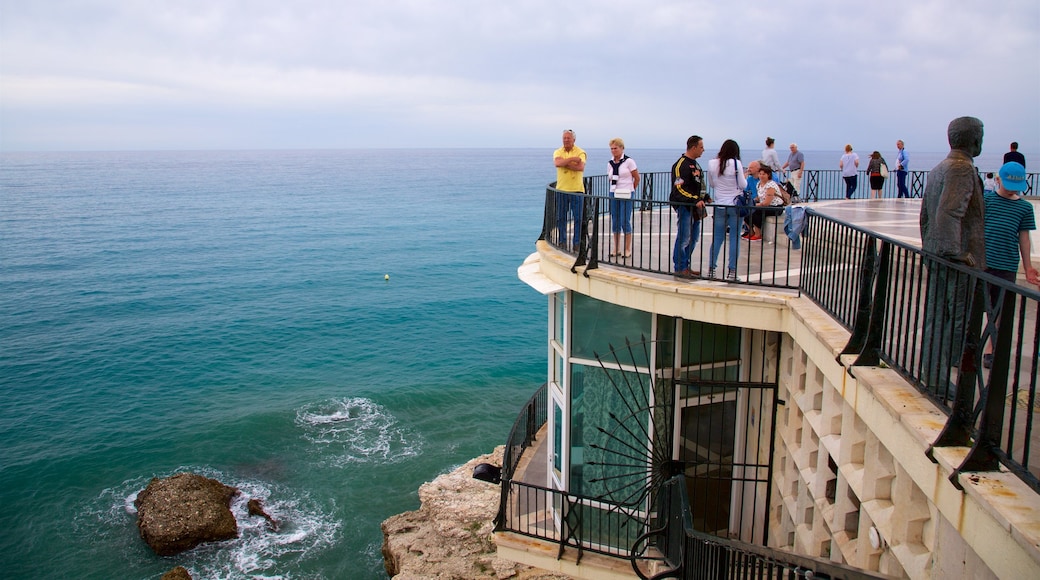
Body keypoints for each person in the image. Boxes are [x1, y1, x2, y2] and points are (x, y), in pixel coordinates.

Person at [919, 116, 986, 394]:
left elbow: (925, 217)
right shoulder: (961, 169)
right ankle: (938, 377)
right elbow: (948, 212)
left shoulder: (938, 169)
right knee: (955, 318)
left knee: (937, 316)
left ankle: (931, 372)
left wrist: (931, 248)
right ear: (973, 138)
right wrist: (956, 253)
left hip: (936, 254)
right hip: (954, 261)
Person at [981, 161, 1039, 368]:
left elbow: (1024, 238)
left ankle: (990, 348)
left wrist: (1028, 266)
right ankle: (968, 348)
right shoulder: (986, 200)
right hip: (983, 263)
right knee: (975, 306)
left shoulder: (1024, 208)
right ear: (997, 180)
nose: (1012, 189)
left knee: (998, 310)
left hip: (1006, 265)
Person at [707, 139, 747, 281]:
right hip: (735, 205)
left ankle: (711, 269)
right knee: (735, 238)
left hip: (719, 205)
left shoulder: (712, 163)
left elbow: (711, 184)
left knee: (717, 238)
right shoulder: (737, 164)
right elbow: (743, 184)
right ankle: (732, 272)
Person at [670, 135, 708, 279]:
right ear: (693, 147)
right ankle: (680, 267)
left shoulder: (696, 165)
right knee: (684, 237)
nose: (703, 150)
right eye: (701, 147)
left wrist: (705, 197)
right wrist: (694, 199)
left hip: (696, 208)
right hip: (686, 207)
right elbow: (678, 188)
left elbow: (698, 185)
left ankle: (685, 264)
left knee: (693, 238)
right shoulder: (681, 165)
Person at [553, 130, 587, 250]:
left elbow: (581, 167)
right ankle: (562, 241)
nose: (566, 140)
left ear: (574, 140)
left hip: (577, 190)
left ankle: (577, 243)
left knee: (578, 218)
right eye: (564, 138)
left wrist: (564, 163)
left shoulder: (581, 152)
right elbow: (557, 163)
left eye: (568, 138)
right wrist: (572, 159)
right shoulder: (558, 151)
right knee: (561, 217)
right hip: (562, 189)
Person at [607, 138, 639, 260]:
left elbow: (637, 177)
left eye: (616, 148)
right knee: (615, 220)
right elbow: (610, 178)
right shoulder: (610, 163)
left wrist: (631, 189)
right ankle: (616, 248)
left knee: (625, 220)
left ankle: (627, 249)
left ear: (621, 148)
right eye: (612, 148)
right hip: (614, 193)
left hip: (626, 193)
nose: (613, 150)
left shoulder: (629, 162)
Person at [746, 163, 787, 241]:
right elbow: (759, 197)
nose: (761, 176)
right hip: (764, 205)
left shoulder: (771, 185)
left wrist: (754, 205)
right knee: (745, 210)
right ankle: (751, 232)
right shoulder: (759, 184)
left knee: (755, 211)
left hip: (775, 207)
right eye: (760, 174)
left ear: (768, 175)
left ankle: (758, 234)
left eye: (763, 174)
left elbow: (766, 203)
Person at [741, 160, 762, 239]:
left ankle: (758, 233)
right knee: (743, 210)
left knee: (753, 211)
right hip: (752, 200)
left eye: (751, 168)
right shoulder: (749, 179)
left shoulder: (762, 179)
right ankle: (750, 231)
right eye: (748, 167)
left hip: (760, 200)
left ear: (757, 169)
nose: (749, 169)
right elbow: (745, 191)